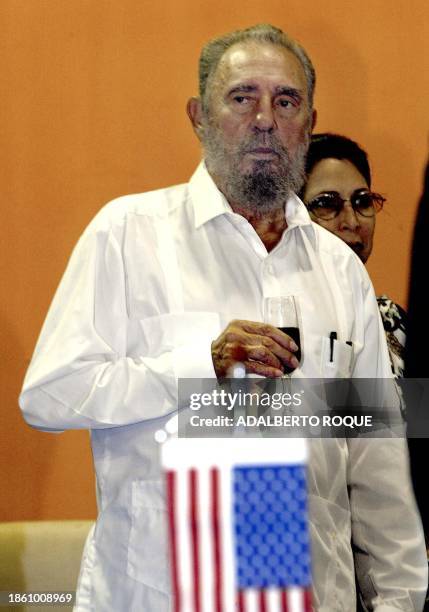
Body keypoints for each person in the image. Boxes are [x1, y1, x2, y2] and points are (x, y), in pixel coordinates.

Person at [19, 24, 427, 611]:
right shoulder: (129, 234)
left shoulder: (340, 271)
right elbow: (50, 396)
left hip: (312, 595)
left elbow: (376, 461)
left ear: (308, 124)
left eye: (285, 101)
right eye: (242, 98)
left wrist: (400, 599)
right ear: (198, 116)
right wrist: (197, 364)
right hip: (160, 595)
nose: (265, 118)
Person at [301, 133, 406, 378]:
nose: (352, 221)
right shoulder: (277, 323)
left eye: (363, 201)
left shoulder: (393, 322)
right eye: (326, 203)